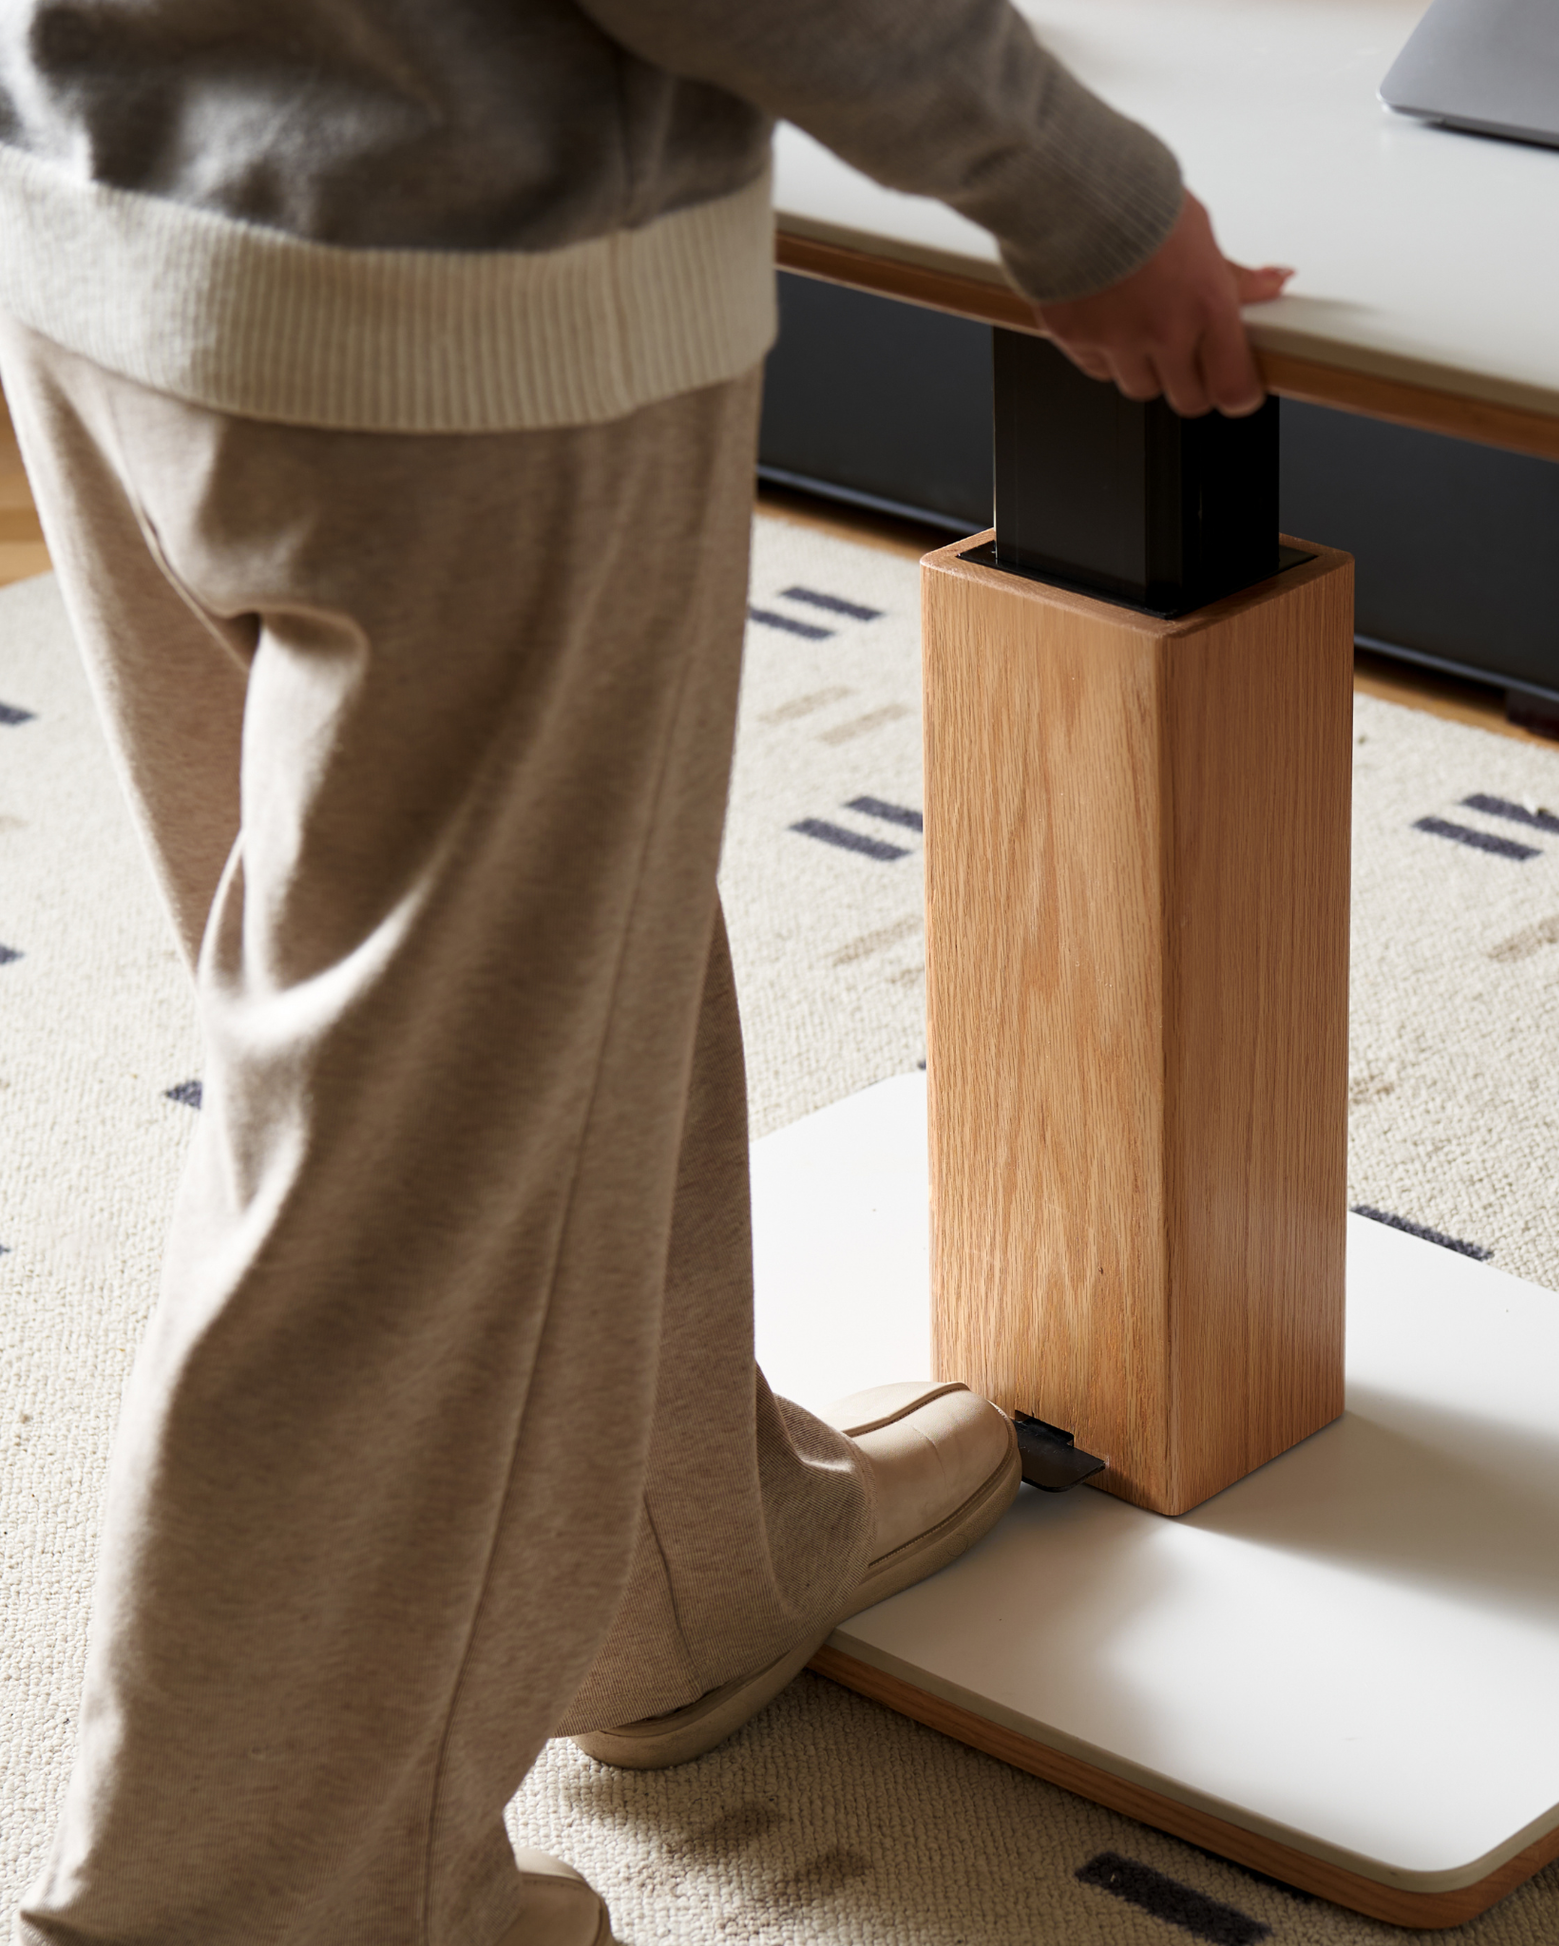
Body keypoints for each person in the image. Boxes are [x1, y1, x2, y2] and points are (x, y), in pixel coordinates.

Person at [0, 4, 1288, 1941]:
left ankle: (682, 1566)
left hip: (111, 190)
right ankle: (244, 1904)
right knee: (402, 1163)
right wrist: (1082, 196)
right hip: (450, 293)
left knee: (490, 1001)